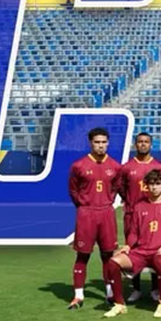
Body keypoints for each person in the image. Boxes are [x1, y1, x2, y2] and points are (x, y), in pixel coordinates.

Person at [102, 169, 161, 318]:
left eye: (158, 184)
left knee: (160, 261)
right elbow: (134, 231)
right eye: (151, 184)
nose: (154, 187)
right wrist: (128, 245)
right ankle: (119, 304)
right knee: (113, 263)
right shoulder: (140, 206)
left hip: (159, 251)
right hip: (140, 252)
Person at [67, 127, 121, 310]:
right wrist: (83, 205)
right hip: (86, 213)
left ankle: (110, 294)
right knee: (82, 255)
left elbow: (115, 188)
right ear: (90, 143)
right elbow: (73, 189)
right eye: (97, 142)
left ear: (108, 143)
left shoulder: (115, 166)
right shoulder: (79, 165)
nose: (100, 146)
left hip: (106, 212)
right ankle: (78, 295)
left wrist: (106, 202)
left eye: (104, 142)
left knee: (108, 255)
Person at [115, 131, 161, 303]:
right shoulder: (127, 167)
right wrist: (130, 202)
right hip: (132, 215)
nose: (143, 144)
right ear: (135, 145)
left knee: (155, 247)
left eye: (146, 142)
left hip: (154, 214)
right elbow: (121, 188)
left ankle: (155, 288)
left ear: (151, 145)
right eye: (140, 142)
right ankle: (135, 288)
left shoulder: (159, 167)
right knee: (133, 249)